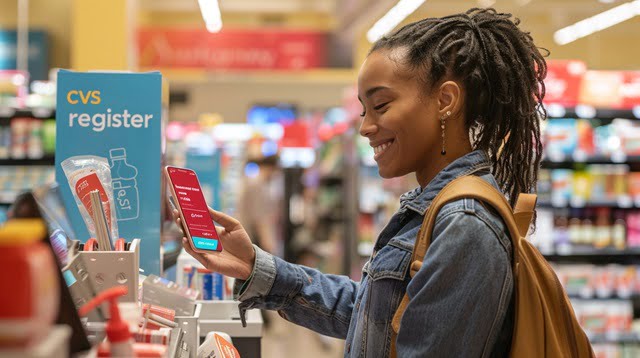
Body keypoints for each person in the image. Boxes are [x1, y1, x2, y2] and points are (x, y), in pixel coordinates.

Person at [175, 8, 546, 357]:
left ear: (445, 100)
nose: (366, 127)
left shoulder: (464, 224)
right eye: (363, 110)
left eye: (381, 106)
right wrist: (253, 265)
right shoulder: (433, 208)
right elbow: (374, 315)